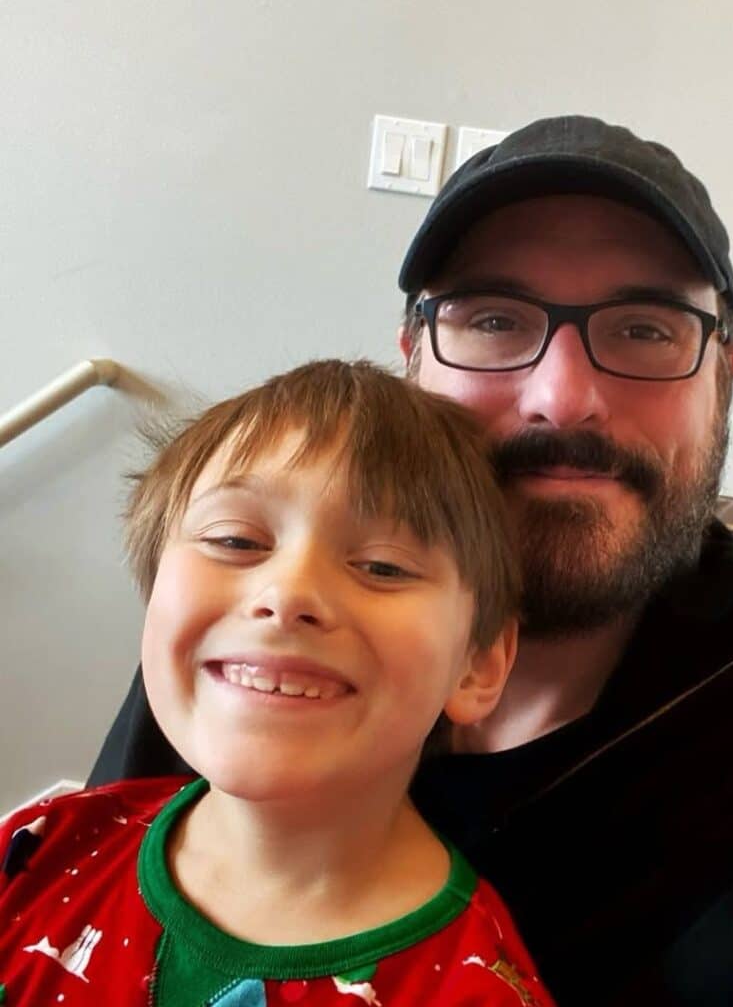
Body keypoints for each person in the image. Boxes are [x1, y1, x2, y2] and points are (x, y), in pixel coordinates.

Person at [89, 117, 733, 1005]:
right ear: (414, 358)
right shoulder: (259, 637)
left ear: (723, 382)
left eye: (646, 330)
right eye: (494, 320)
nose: (563, 398)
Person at [0, 361, 556, 1006]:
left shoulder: (476, 995)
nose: (289, 594)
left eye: (382, 566)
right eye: (235, 541)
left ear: (478, 665)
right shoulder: (36, 852)